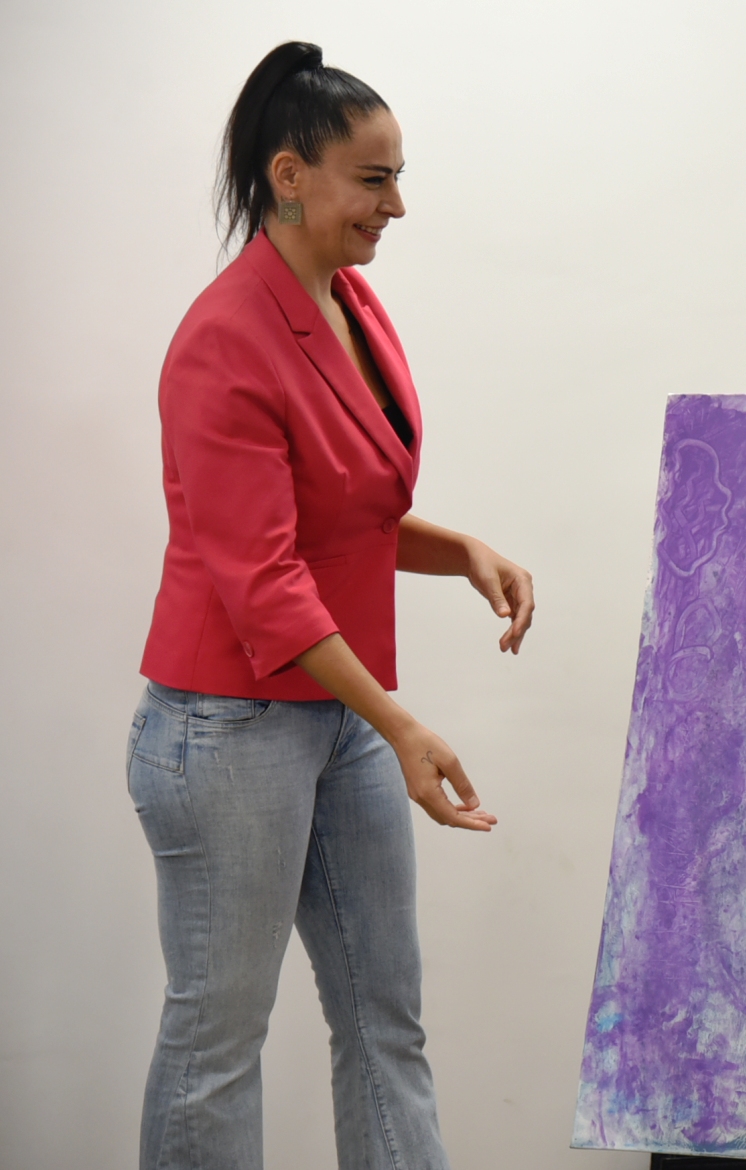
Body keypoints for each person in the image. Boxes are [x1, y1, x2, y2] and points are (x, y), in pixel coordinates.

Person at [127, 42, 533, 1165]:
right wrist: (400, 725)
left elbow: (344, 514)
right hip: (227, 727)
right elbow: (263, 581)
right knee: (218, 1043)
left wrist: (464, 551)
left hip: (335, 714)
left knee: (384, 1020)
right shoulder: (223, 341)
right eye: (374, 179)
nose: (396, 205)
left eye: (398, 178)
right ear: (290, 175)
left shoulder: (350, 300)